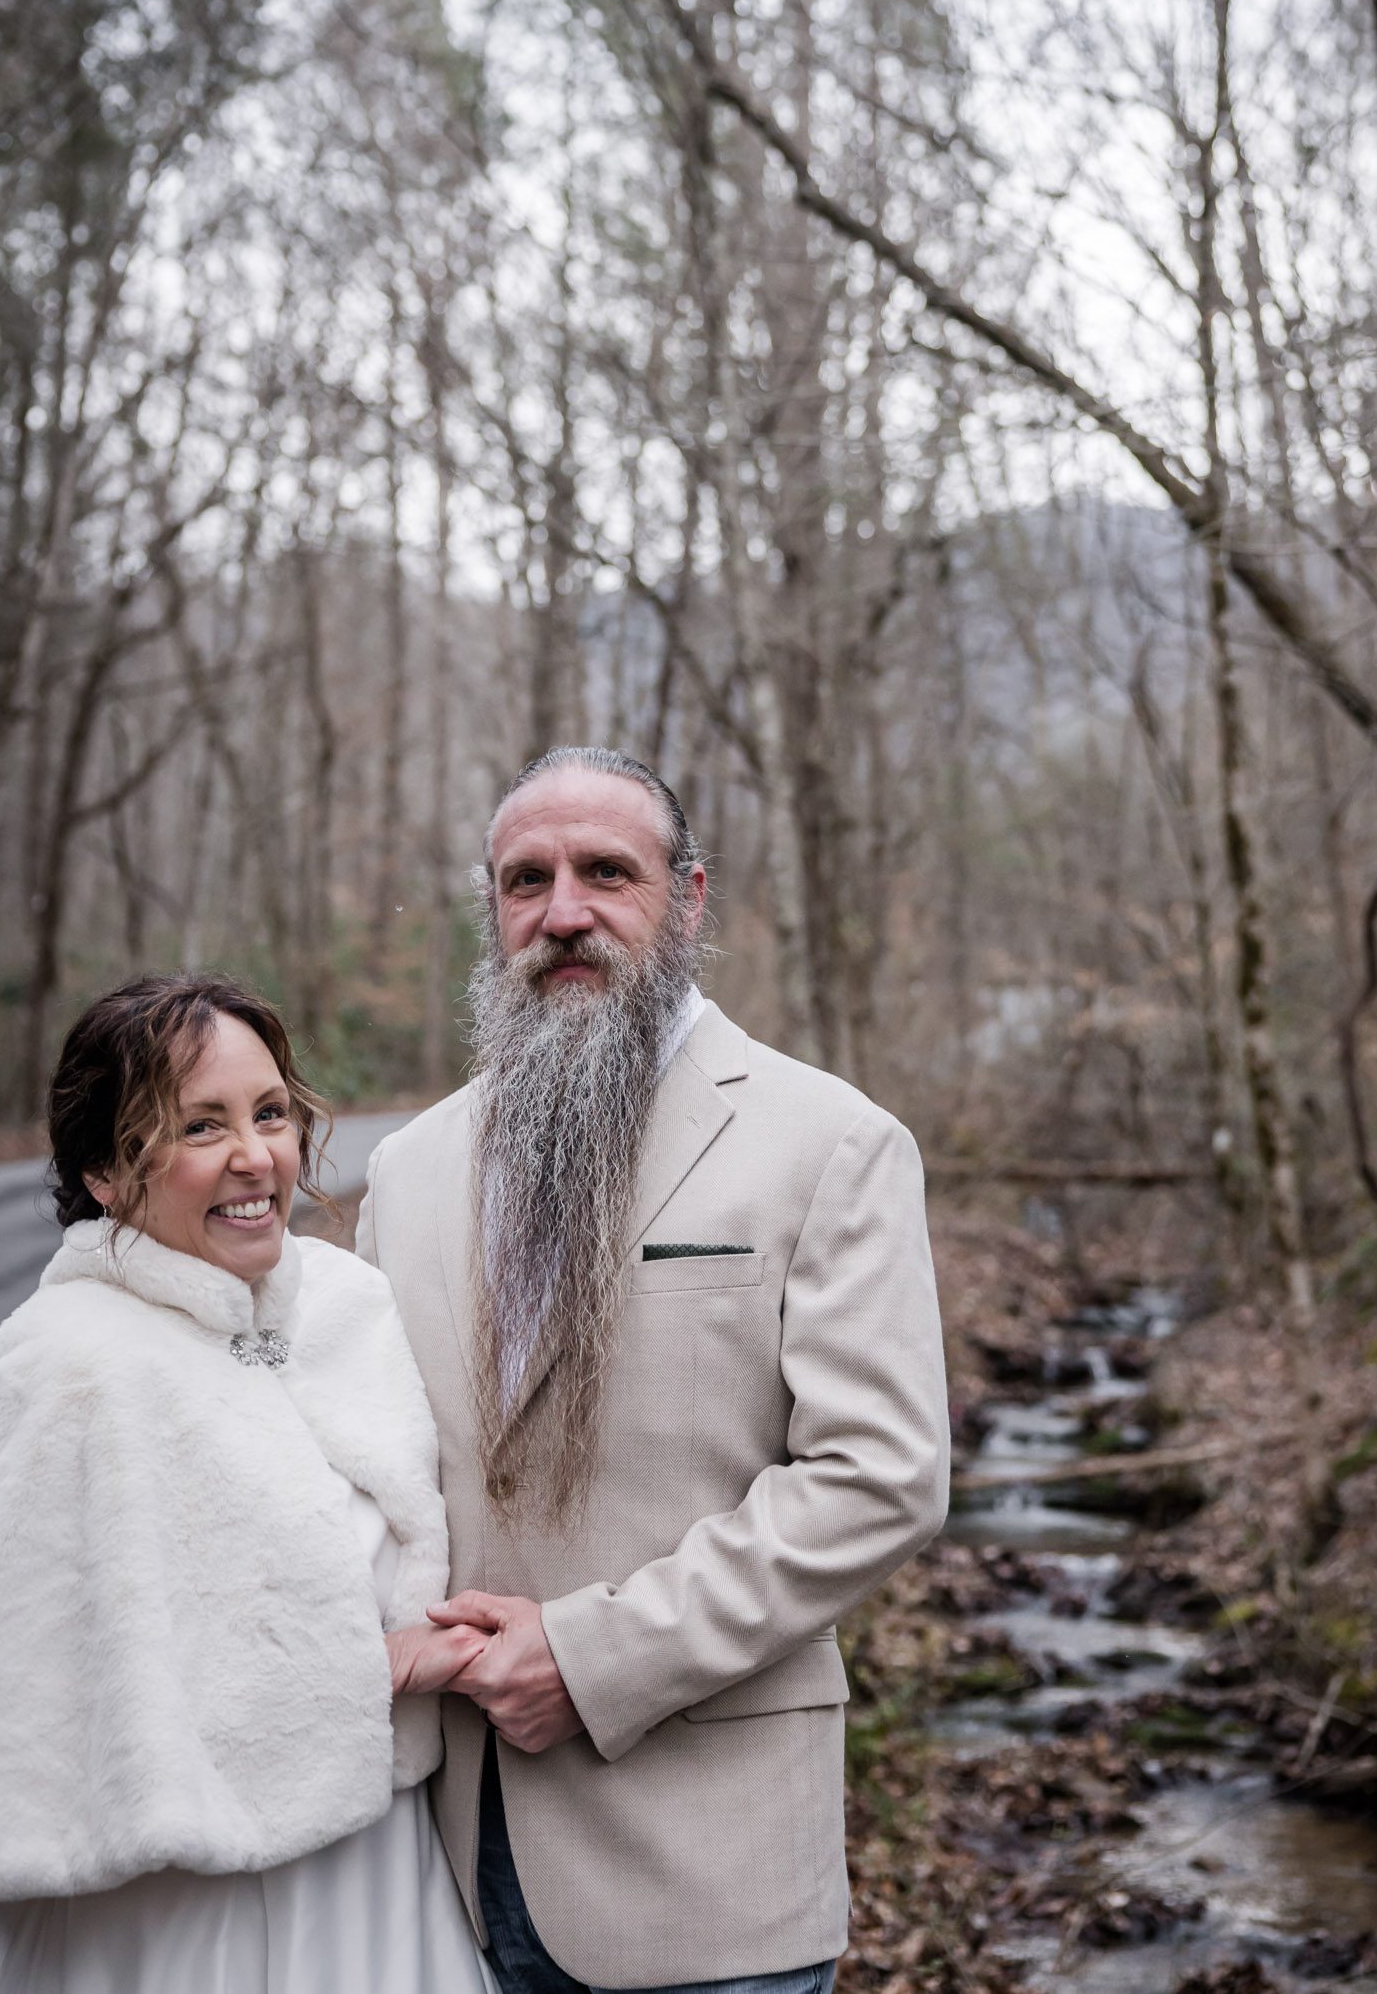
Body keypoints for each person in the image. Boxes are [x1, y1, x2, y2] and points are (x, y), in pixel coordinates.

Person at [359, 745, 951, 1994]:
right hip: (435, 1869)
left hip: (706, 1877)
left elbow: (877, 1478)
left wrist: (590, 1659)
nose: (562, 911)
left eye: (605, 872)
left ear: (686, 898)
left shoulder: (831, 1142)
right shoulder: (407, 1171)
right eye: (526, 879)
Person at [0, 974, 493, 1994]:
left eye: (269, 1113)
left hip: (379, 1873)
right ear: (104, 1172)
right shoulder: (68, 1367)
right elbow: (50, 1695)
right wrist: (376, 1670)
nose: (256, 1156)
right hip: (179, 1911)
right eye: (199, 1126)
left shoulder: (347, 1304)